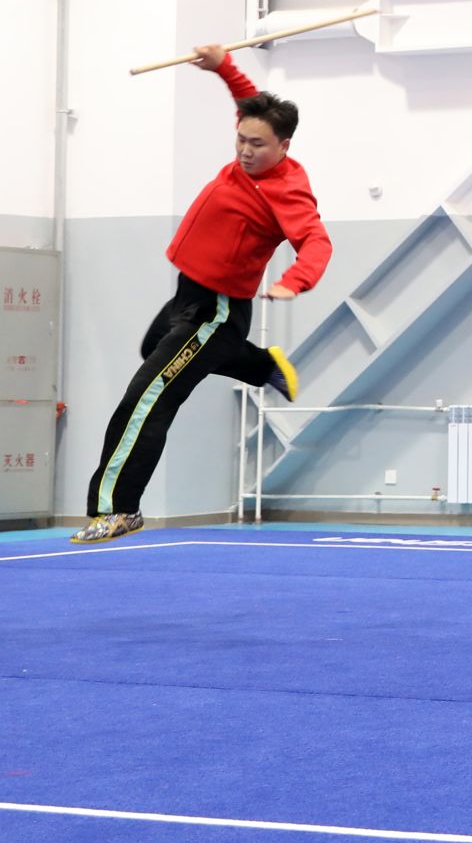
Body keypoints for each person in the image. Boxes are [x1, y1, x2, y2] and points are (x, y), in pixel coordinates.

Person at [73, 45, 330, 544]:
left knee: (146, 398)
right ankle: (259, 365)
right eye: (241, 140)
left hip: (215, 309)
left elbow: (317, 242)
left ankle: (118, 508)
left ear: (284, 146)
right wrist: (223, 67)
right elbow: (248, 100)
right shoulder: (249, 149)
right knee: (153, 350)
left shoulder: (288, 190)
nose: (245, 151)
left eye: (257, 144)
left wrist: (294, 281)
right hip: (187, 294)